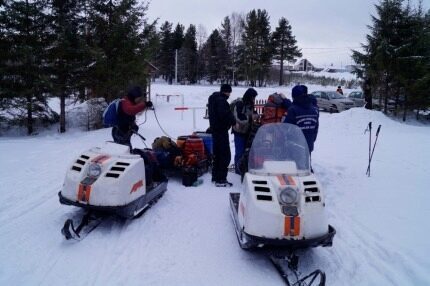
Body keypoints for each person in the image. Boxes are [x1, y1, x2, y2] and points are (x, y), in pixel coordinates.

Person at [283, 85, 319, 170]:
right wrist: (311, 139)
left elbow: (286, 126)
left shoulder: (293, 109)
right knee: (306, 166)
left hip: (295, 145)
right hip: (308, 144)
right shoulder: (314, 109)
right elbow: (316, 128)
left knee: (294, 169)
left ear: (294, 96)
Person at [208, 84, 236, 187]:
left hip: (215, 130)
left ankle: (215, 176)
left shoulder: (214, 99)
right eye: (229, 92)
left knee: (217, 154)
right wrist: (233, 120)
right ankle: (221, 179)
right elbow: (224, 115)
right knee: (225, 155)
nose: (229, 94)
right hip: (221, 131)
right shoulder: (221, 101)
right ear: (226, 92)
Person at [232, 88, 258, 174]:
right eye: (253, 97)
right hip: (239, 131)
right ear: (249, 96)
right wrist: (251, 117)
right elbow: (239, 118)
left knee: (246, 151)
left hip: (247, 131)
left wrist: (255, 114)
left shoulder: (250, 104)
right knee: (239, 152)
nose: (254, 99)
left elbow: (251, 113)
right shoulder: (239, 104)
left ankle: (244, 167)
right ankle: (238, 170)